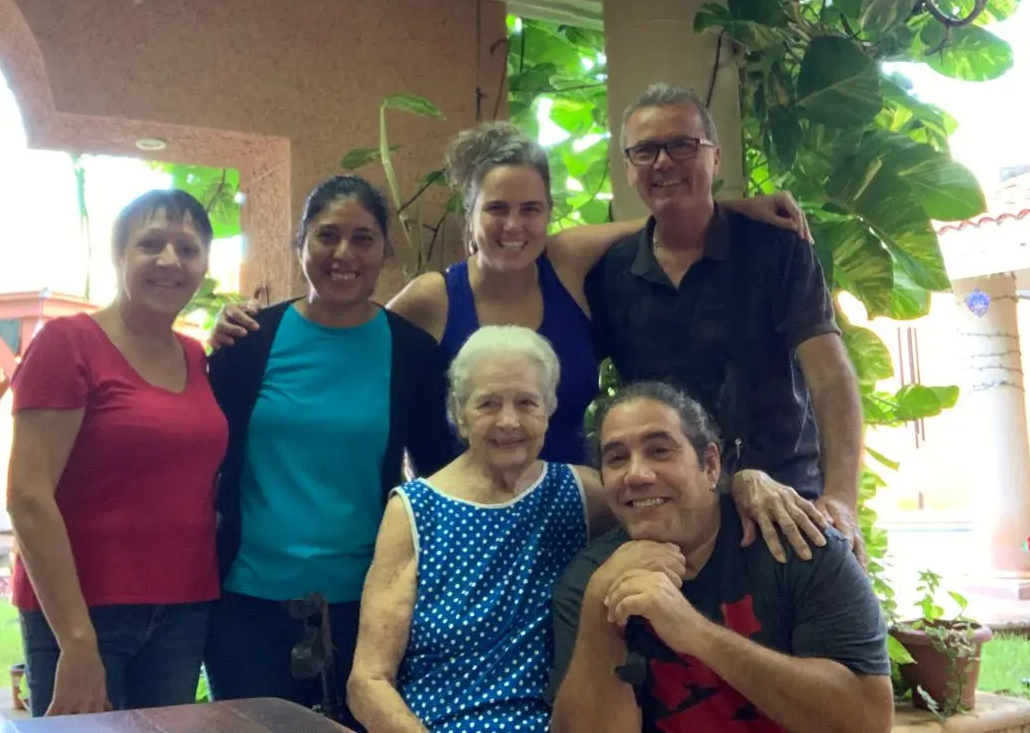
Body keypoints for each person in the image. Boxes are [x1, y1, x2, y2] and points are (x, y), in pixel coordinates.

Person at [215, 122, 808, 466]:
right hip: (468, 525)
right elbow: (349, 338)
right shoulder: (432, 298)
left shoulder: (568, 260)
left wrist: (741, 208)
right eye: (496, 209)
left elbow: (661, 217)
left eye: (531, 209)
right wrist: (251, 328)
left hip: (576, 514)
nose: (513, 226)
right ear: (468, 216)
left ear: (550, 213)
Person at [205, 175, 457, 726]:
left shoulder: (411, 353)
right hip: (244, 604)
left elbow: (442, 474)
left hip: (363, 610)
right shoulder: (248, 342)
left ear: (385, 251)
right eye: (327, 236)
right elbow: (203, 457)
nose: (344, 254)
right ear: (301, 244)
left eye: (363, 238)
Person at [585, 84, 868, 562]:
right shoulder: (610, 274)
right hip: (670, 512)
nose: (664, 162)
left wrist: (841, 497)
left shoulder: (777, 250)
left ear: (715, 159)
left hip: (785, 502)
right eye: (646, 150)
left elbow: (830, 374)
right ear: (629, 169)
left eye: (682, 145)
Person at [549, 382, 893, 733]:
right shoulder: (591, 577)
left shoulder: (797, 544)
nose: (637, 474)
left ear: (711, 465)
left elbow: (867, 721)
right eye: (617, 458)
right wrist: (598, 616)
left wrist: (696, 633)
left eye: (659, 450)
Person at [7, 189, 228, 717]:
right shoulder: (68, 343)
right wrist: (77, 641)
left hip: (183, 609)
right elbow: (27, 496)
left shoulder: (196, 355)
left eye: (188, 249)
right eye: (151, 244)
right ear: (119, 254)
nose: (170, 261)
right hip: (86, 613)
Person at [347, 326, 610, 733]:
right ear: (459, 414)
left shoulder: (583, 493)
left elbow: (680, 508)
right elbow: (368, 681)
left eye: (526, 402)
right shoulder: (415, 510)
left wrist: (742, 484)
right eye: (488, 404)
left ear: (549, 409)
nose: (508, 421)